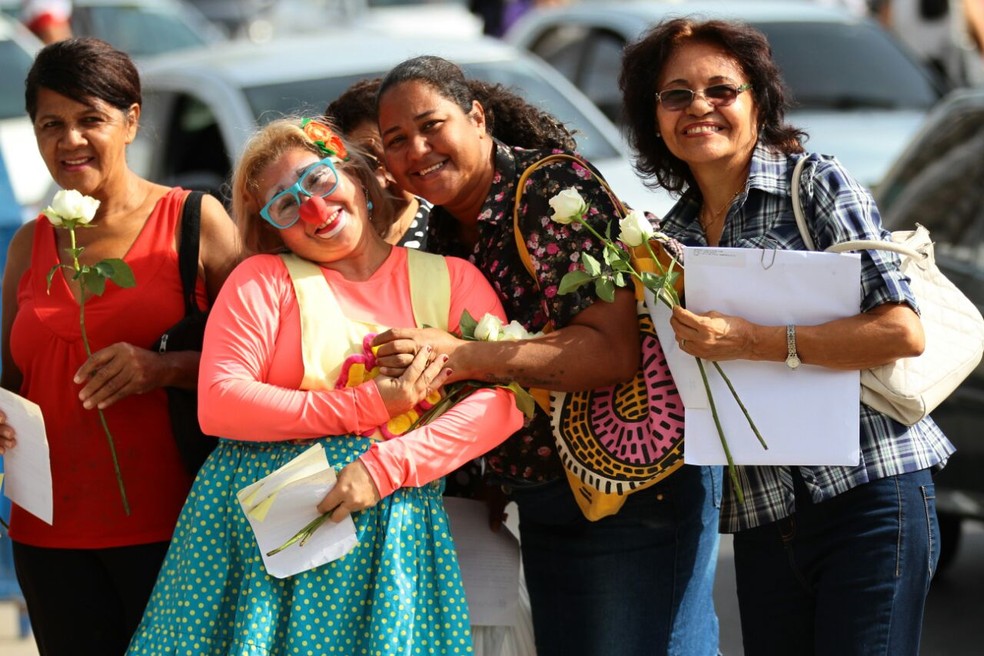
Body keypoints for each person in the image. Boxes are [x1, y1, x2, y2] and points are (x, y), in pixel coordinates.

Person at [124, 116, 525, 655]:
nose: (314, 209)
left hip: (394, 538)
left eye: (317, 180)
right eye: (286, 205)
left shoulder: (451, 280)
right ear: (273, 230)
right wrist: (368, 405)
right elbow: (219, 402)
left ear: (356, 176)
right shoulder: (262, 280)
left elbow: (505, 401)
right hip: (258, 545)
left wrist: (384, 467)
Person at [618, 17, 956, 655]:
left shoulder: (815, 182)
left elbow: (902, 330)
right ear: (653, 116)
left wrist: (752, 340)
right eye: (676, 94)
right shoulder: (673, 239)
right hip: (766, 518)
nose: (700, 107)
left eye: (722, 89)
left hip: (870, 495)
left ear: (758, 100)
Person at [373, 55, 722, 656]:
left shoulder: (549, 190)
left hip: (632, 494)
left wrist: (462, 357)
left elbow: (611, 353)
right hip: (549, 500)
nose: (418, 149)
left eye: (432, 125)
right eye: (397, 140)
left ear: (477, 118)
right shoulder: (441, 233)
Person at [0, 37, 240, 656]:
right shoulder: (29, 243)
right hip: (47, 539)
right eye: (51, 124)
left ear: (131, 120)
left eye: (90, 120)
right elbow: (10, 376)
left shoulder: (195, 220)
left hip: (179, 531)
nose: (69, 140)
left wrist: (163, 368)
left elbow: (269, 361)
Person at [325, 77, 431, 249]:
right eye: (367, 162)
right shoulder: (324, 255)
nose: (383, 178)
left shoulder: (451, 234)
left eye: (396, 144)